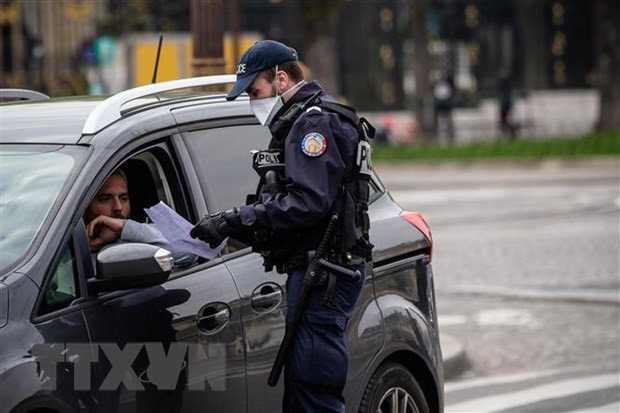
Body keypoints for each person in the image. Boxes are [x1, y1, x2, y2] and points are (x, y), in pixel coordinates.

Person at [190, 40, 373, 412]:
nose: (253, 101)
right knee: (305, 388)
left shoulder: (313, 123)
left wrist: (233, 218)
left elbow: (307, 203)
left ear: (282, 78)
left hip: (325, 271)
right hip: (322, 267)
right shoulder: (310, 118)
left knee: (313, 393)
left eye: (255, 91)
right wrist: (236, 228)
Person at [85, 170, 196, 268]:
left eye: (124, 198)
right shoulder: (71, 246)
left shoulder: (144, 237)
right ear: (85, 207)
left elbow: (190, 249)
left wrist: (124, 227)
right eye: (105, 199)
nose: (118, 207)